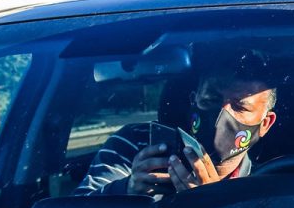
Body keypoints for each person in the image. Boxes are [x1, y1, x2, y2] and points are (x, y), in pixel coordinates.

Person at [75, 49, 278, 196]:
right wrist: (126, 189)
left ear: (265, 123)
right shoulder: (134, 145)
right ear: (193, 100)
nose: (222, 115)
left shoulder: (267, 185)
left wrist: (212, 203)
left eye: (240, 107)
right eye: (211, 99)